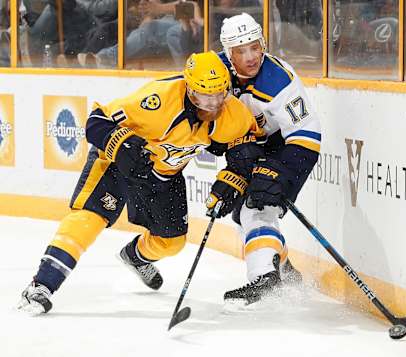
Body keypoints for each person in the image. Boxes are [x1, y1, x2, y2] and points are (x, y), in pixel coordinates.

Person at [17, 51, 264, 314]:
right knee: (89, 218)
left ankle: (134, 257)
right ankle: (41, 285)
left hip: (164, 177)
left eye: (220, 95)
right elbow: (96, 121)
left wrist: (234, 178)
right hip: (118, 166)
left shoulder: (232, 113)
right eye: (205, 96)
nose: (213, 104)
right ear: (190, 90)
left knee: (172, 242)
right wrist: (122, 147)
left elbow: (246, 146)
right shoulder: (157, 101)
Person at [213, 13, 322, 305]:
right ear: (227, 53)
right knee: (241, 215)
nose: (250, 56)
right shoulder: (215, 73)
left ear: (263, 43)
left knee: (257, 208)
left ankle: (264, 278)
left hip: (290, 147)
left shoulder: (278, 80)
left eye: (255, 46)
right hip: (252, 144)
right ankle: (282, 268)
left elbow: (307, 132)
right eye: (240, 50)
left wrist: (278, 170)